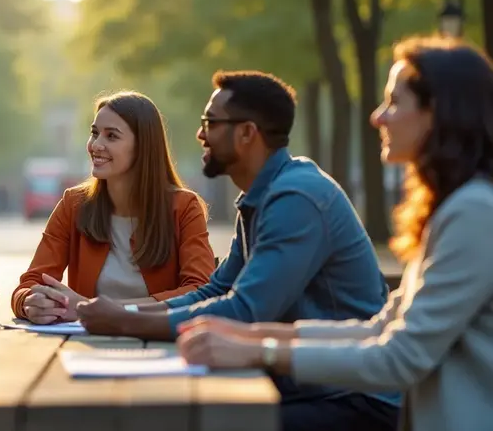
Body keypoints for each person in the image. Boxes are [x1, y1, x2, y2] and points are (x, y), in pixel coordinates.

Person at [177, 38, 493, 431]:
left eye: (394, 102)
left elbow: (400, 357)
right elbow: (381, 326)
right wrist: (251, 335)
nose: (378, 117)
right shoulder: (456, 207)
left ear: (438, 114)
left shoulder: (473, 212)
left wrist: (258, 351)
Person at [75, 73, 399, 431]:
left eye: (210, 123)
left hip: (353, 398)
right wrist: (122, 310)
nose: (201, 134)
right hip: (306, 384)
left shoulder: (296, 198)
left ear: (247, 133)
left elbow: (244, 311)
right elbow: (217, 290)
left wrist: (123, 322)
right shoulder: (265, 195)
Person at [11, 91, 216, 324]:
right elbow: (31, 283)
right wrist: (30, 303)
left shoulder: (184, 208)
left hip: (160, 345)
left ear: (143, 147)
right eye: (95, 134)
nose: (96, 145)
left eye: (111, 136)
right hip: (85, 346)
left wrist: (97, 309)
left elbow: (200, 292)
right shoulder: (73, 204)